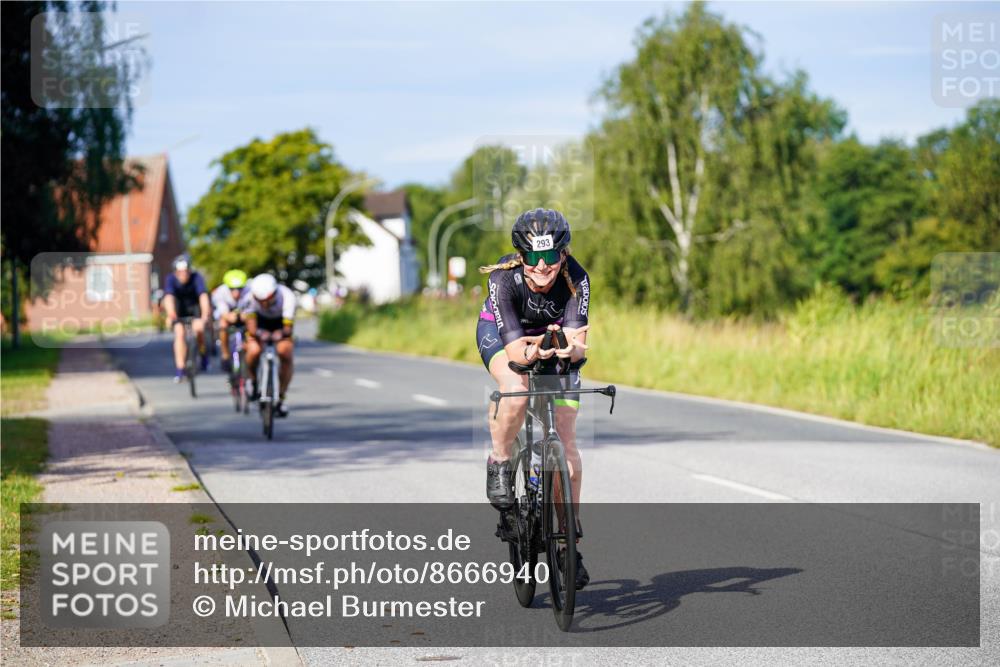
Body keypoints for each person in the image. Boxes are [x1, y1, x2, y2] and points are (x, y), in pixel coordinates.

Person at [476, 208, 591, 589]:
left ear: (563, 255)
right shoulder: (503, 281)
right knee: (518, 389)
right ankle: (501, 459)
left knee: (567, 441)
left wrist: (565, 352)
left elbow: (577, 346)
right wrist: (534, 353)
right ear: (520, 256)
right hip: (504, 334)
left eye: (550, 258)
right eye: (532, 258)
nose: (542, 268)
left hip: (550, 339)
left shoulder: (577, 277)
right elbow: (515, 354)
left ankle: (568, 544)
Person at [241, 274, 296, 417]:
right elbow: (251, 328)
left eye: (267, 300)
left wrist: (280, 334)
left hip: (280, 323)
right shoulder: (249, 298)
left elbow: (288, 328)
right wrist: (260, 334)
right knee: (253, 350)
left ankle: (281, 397)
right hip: (260, 324)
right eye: (261, 301)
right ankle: (252, 381)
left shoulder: (287, 297)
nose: (264, 304)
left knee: (286, 351)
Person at [163, 254, 211, 382]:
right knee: (179, 334)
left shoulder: (197, 278)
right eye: (180, 272)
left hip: (194, 309)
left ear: (189, 270)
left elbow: (203, 297)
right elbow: (168, 298)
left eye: (185, 272)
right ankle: (180, 369)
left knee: (199, 329)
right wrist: (171, 314)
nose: (183, 275)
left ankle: (202, 353)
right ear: (175, 272)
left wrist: (205, 315)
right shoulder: (170, 279)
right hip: (179, 309)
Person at [211, 269, 249, 372]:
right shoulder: (220, 293)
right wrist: (230, 316)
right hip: (227, 315)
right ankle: (225, 353)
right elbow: (223, 313)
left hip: (243, 316)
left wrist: (246, 316)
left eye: (239, 289)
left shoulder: (249, 291)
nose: (236, 292)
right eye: (232, 289)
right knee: (223, 324)